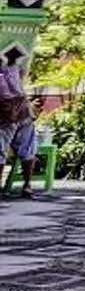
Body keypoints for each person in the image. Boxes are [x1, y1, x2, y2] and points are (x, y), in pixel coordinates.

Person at [0, 51, 35, 197]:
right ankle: (27, 185)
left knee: (0, 152)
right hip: (23, 112)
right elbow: (23, 74)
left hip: (6, 116)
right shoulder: (14, 68)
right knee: (26, 150)